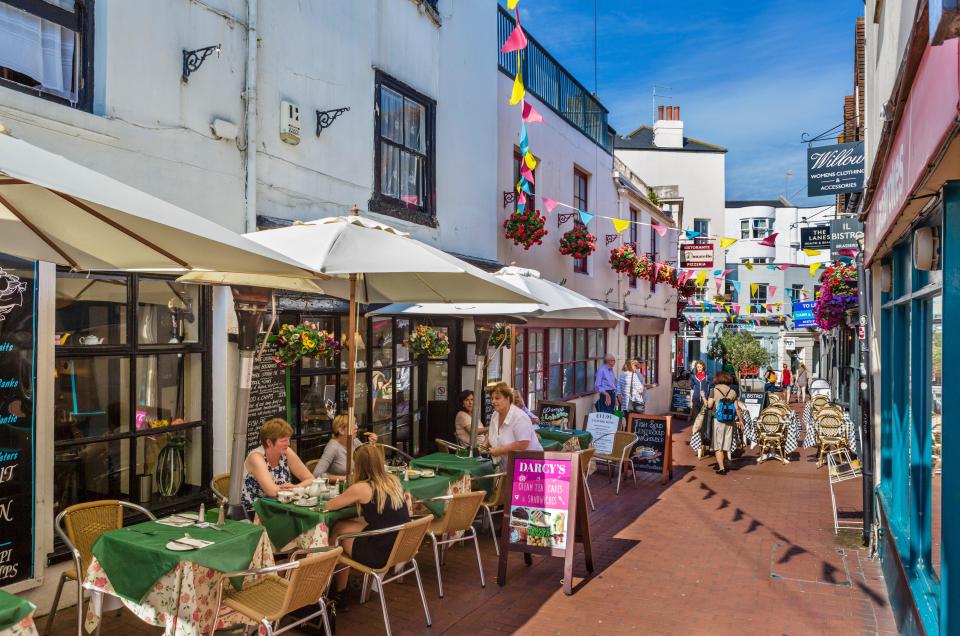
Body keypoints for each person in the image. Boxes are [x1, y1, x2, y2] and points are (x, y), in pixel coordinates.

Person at [326, 444, 410, 609]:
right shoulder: (393, 481)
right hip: (398, 547)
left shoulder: (362, 488)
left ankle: (328, 585)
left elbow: (330, 505)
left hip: (379, 553)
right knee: (342, 527)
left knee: (338, 535)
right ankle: (337, 589)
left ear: (358, 465)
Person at [242, 418, 315, 516]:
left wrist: (296, 487)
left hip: (280, 507)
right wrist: (296, 490)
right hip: (254, 512)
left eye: (288, 439)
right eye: (283, 440)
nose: (288, 444)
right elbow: (272, 491)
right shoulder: (256, 457)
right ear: (269, 442)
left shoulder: (286, 452)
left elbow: (310, 479)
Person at [484, 382, 542, 467]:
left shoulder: (519, 417)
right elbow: (493, 434)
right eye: (492, 398)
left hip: (529, 466)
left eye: (497, 398)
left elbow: (523, 444)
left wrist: (500, 450)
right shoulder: (495, 415)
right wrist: (483, 446)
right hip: (508, 466)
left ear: (507, 398)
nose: (493, 401)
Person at [312, 414, 378, 481]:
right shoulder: (333, 447)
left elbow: (367, 462)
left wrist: (372, 445)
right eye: (352, 425)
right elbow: (317, 474)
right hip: (338, 488)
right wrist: (346, 478)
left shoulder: (354, 441)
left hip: (356, 483)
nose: (356, 427)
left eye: (356, 423)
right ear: (341, 430)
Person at [705, 371, 742, 475]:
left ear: (717, 379)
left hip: (718, 420)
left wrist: (704, 398)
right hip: (730, 421)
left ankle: (722, 468)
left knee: (718, 445)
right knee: (726, 442)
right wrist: (741, 421)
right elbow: (737, 408)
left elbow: (709, 405)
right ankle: (725, 462)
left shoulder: (714, 390)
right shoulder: (733, 391)